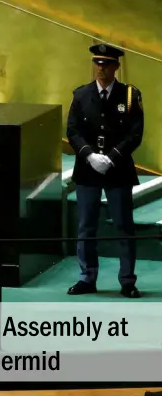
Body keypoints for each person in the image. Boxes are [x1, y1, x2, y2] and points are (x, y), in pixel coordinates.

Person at [66, 42, 144, 298]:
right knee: (86, 225)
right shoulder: (80, 95)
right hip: (88, 169)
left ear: (116, 67)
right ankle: (87, 278)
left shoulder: (130, 95)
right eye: (98, 63)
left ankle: (127, 280)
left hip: (118, 168)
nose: (102, 68)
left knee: (124, 225)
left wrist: (111, 157)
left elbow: (135, 133)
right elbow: (73, 131)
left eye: (107, 64)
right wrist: (89, 155)